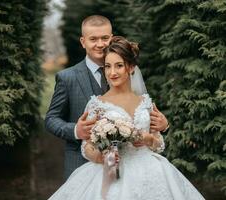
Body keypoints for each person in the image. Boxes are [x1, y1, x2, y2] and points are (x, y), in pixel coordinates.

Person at [48, 36, 205, 200]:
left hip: (150, 171)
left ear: (131, 67)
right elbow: (87, 147)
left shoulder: (146, 103)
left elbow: (159, 143)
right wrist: (101, 156)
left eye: (119, 66)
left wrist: (149, 139)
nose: (112, 72)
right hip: (111, 172)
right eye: (107, 66)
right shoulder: (97, 104)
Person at [45, 15, 169, 179]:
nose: (100, 44)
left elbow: (144, 118)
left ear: (111, 38)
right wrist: (76, 130)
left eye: (105, 38)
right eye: (93, 39)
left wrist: (163, 125)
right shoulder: (68, 77)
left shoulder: (128, 71)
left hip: (137, 169)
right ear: (83, 42)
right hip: (84, 166)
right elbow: (51, 119)